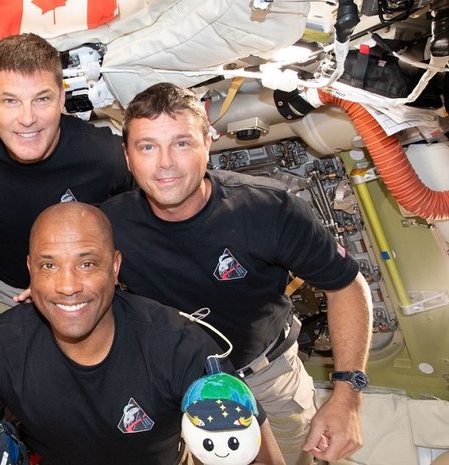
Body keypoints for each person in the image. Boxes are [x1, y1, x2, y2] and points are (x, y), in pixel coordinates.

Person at [100, 82, 373, 465]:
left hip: (268, 378)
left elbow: (346, 285)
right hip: (176, 384)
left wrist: (347, 396)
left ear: (207, 143)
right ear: (128, 158)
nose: (165, 163)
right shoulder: (108, 225)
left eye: (181, 143)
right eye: (147, 147)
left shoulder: (268, 209)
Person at [0, 202, 284, 465]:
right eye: (49, 265)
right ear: (30, 270)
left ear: (114, 268)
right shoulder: (0, 346)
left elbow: (259, 458)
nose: (67, 286)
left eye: (87, 264)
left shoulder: (180, 345)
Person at [0, 32, 135, 330]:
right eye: (10, 101)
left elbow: (146, 215)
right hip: (2, 291)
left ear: (61, 99)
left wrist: (103, 275)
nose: (27, 118)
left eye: (41, 99)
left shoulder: (103, 155)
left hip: (80, 291)